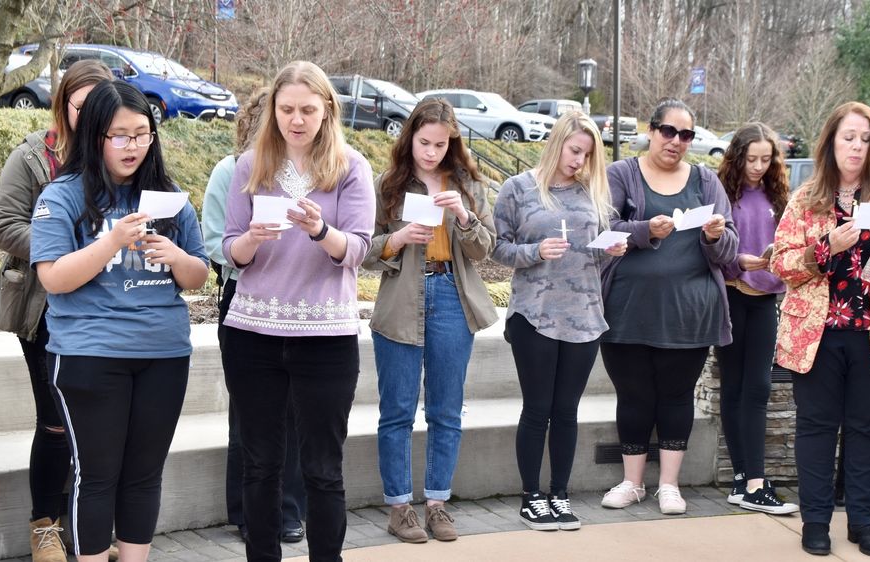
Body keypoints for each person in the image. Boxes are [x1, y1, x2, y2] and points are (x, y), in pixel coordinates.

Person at [30, 79, 209, 562]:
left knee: (144, 474)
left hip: (163, 354)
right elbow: (54, 279)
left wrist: (173, 253)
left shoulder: (168, 197)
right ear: (95, 137)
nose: (133, 146)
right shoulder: (62, 196)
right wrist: (110, 242)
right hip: (90, 354)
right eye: (120, 136)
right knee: (97, 475)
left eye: (142, 134)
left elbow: (198, 276)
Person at [220, 60, 375, 562]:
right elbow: (229, 252)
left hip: (326, 336)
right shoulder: (250, 165)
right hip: (253, 333)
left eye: (308, 109)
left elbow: (357, 249)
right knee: (260, 464)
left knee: (322, 469)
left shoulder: (351, 167)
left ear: (327, 110)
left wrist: (319, 230)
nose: (296, 119)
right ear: (274, 110)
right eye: (286, 109)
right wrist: (250, 238)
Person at [771, 101, 870, 557]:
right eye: (848, 137)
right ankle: (816, 523)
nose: (857, 146)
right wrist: (824, 249)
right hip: (818, 334)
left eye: (864, 138)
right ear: (831, 141)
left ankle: (864, 524)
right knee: (816, 428)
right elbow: (781, 264)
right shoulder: (807, 196)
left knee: (869, 428)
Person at [0, 59, 115, 562]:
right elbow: (2, 225)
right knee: (57, 420)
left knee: (96, 423)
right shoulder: (35, 155)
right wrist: (66, 246)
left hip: (105, 310)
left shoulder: (118, 153)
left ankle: (84, 529)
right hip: (42, 311)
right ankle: (45, 526)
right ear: (64, 103)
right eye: (84, 106)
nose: (95, 116)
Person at [362, 98, 498, 543]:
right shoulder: (388, 185)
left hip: (452, 297)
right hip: (402, 297)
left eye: (441, 144)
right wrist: (398, 238)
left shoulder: (467, 184)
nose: (432, 152)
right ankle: (400, 508)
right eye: (424, 142)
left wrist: (462, 214)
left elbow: (484, 251)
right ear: (410, 137)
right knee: (397, 410)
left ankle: (438, 504)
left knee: (446, 409)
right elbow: (364, 252)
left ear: (452, 143)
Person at [599, 99, 738, 515]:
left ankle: (670, 486)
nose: (676, 141)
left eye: (686, 135)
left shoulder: (705, 180)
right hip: (627, 310)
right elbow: (601, 231)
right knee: (634, 396)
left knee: (677, 397)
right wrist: (644, 230)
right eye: (668, 131)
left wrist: (714, 236)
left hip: (690, 314)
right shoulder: (621, 174)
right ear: (651, 131)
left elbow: (730, 251)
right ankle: (632, 482)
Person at [493, 111, 625, 531]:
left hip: (584, 316)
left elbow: (594, 249)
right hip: (535, 313)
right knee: (538, 409)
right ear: (557, 143)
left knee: (567, 411)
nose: (579, 162)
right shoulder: (518, 189)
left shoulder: (593, 194)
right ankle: (531, 496)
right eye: (574, 151)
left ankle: (559, 495)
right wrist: (534, 252)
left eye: (587, 155)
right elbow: (496, 248)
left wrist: (611, 249)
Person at [201, 88, 307, 544]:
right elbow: (211, 243)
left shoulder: (312, 174)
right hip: (243, 299)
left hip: (300, 303)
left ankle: (288, 509)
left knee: (295, 413)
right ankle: (246, 511)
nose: (288, 126)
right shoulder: (232, 171)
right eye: (279, 116)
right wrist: (251, 241)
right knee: (251, 413)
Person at [714, 123, 798, 515]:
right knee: (733, 388)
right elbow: (709, 247)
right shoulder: (722, 191)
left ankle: (752, 479)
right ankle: (746, 480)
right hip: (730, 296)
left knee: (758, 387)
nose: (759, 167)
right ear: (737, 156)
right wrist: (736, 260)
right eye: (752, 159)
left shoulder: (778, 193)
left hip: (765, 297)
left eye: (766, 159)